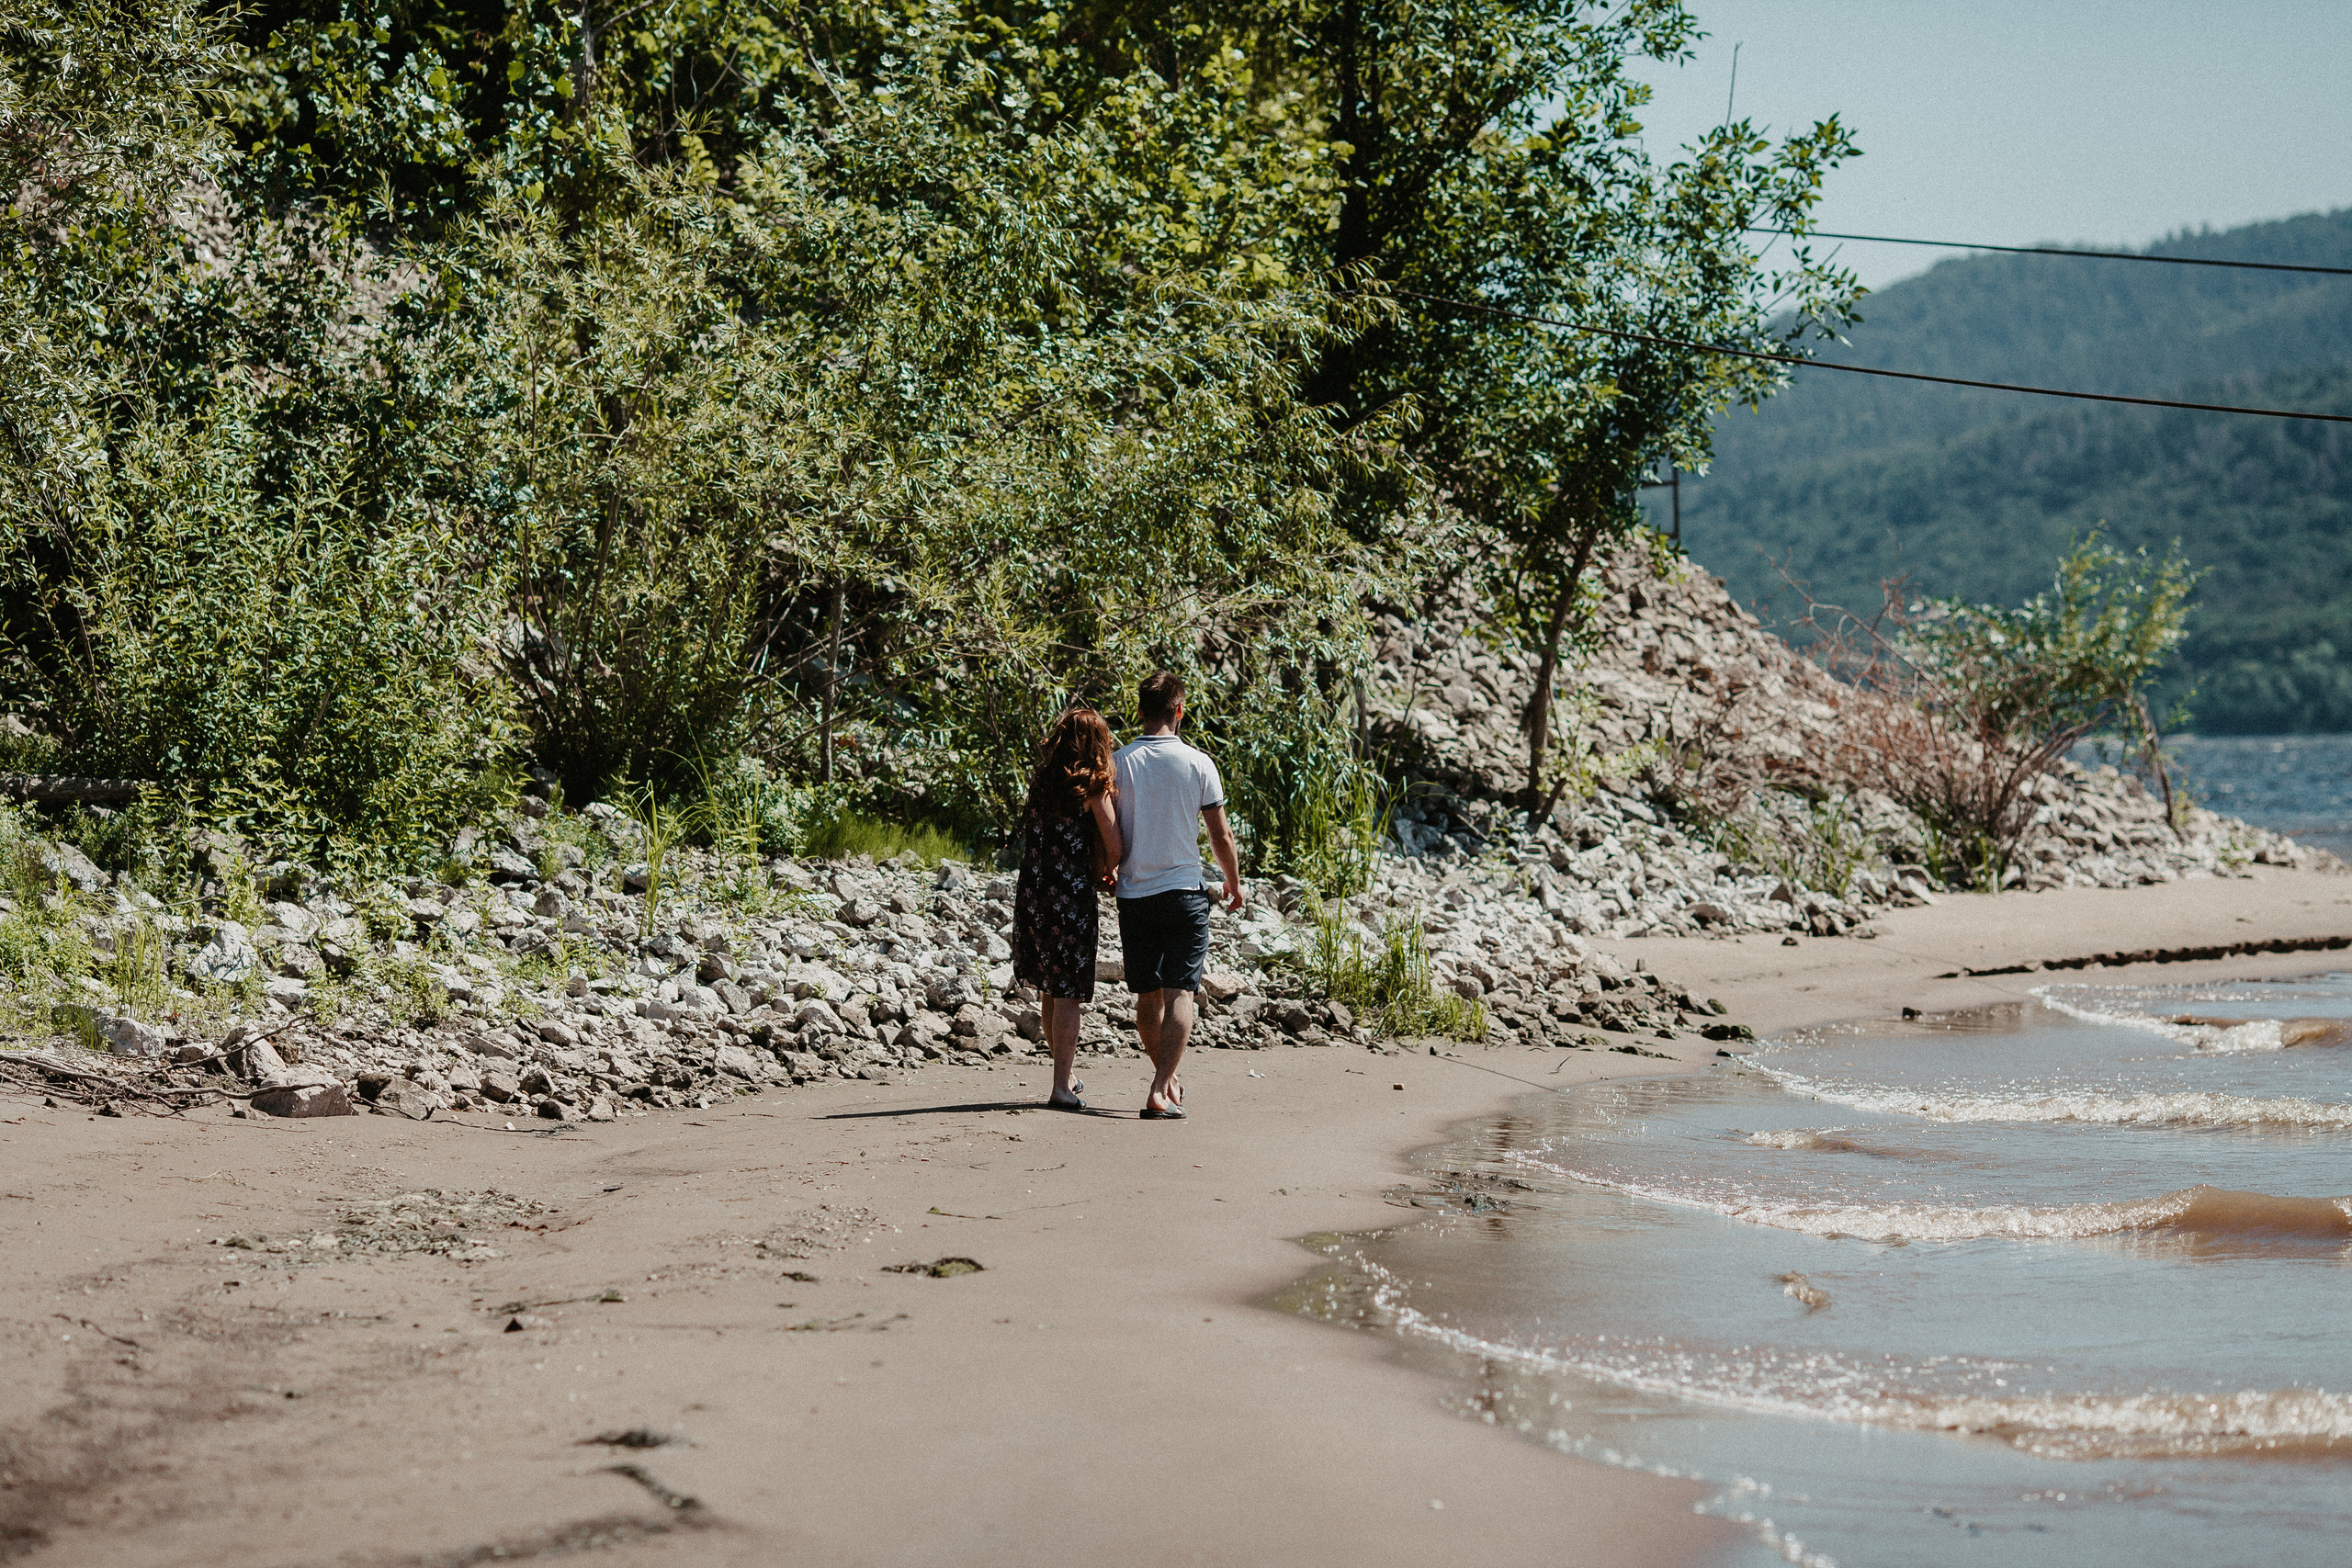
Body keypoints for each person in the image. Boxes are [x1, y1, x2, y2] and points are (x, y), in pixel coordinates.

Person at [1112, 671, 1244, 1120]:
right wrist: (1234, 882)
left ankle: (1164, 1081)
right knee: (1181, 993)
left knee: (1148, 997)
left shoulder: (1119, 762)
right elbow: (1220, 834)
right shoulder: (1199, 763)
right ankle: (1158, 1087)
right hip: (1185, 893)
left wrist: (1106, 869)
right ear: (1179, 710)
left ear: (1140, 711)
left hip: (1134, 894)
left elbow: (1106, 828)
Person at [1011, 707, 1122, 1111]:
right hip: (1069, 897)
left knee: (1049, 987)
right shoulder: (1093, 785)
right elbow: (1115, 844)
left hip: (1034, 892)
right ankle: (1060, 1086)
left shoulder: (1041, 783)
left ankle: (1066, 1075)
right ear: (1096, 744)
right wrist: (1106, 872)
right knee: (1069, 992)